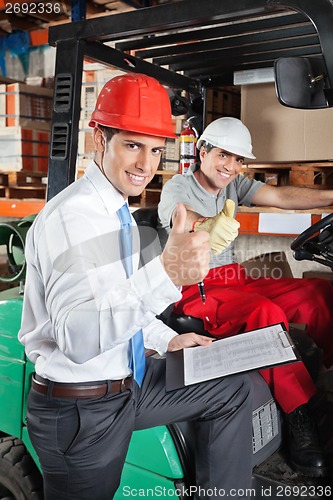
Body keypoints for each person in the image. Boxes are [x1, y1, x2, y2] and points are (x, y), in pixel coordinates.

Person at [18, 75, 254, 500]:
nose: (146, 164)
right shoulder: (75, 218)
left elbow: (120, 305)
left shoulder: (117, 214)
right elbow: (77, 337)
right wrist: (166, 272)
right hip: (82, 409)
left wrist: (171, 338)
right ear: (99, 139)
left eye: (157, 149)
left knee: (233, 386)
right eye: (132, 145)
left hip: (128, 386)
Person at [158, 116, 333, 478]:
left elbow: (280, 196)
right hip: (196, 288)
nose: (231, 166)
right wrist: (204, 225)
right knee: (265, 313)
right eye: (224, 155)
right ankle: (300, 415)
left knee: (318, 293)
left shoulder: (232, 184)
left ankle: (320, 392)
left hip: (234, 281)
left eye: (239, 159)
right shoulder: (178, 187)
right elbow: (178, 215)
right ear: (203, 150)